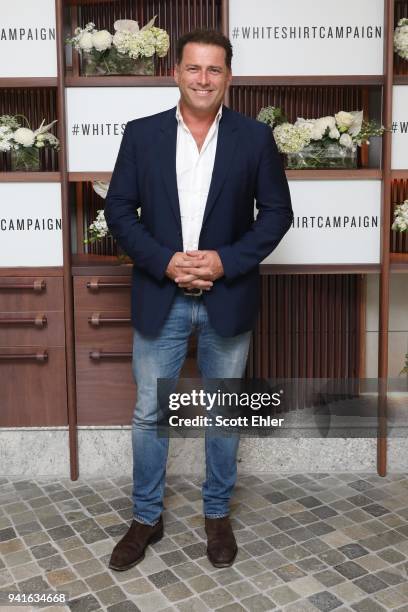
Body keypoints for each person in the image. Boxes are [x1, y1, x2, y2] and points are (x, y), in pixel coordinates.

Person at [105, 29, 292, 571]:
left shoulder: (254, 138)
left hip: (226, 296)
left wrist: (224, 261)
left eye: (214, 70)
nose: (203, 79)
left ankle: (216, 515)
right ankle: (146, 517)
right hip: (160, 294)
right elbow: (120, 211)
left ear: (228, 77)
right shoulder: (140, 135)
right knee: (148, 413)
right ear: (176, 73)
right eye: (194, 68)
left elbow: (277, 214)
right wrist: (164, 260)